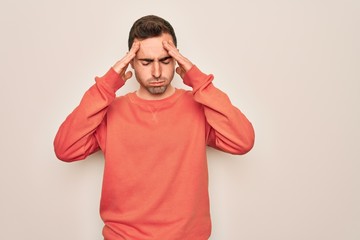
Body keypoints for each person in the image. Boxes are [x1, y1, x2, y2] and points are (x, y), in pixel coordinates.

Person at [54, 15, 255, 240]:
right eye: (146, 62)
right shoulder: (111, 112)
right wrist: (106, 85)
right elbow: (65, 149)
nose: (157, 72)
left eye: (166, 60)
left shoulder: (199, 107)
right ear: (131, 62)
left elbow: (243, 141)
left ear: (177, 59)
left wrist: (199, 80)